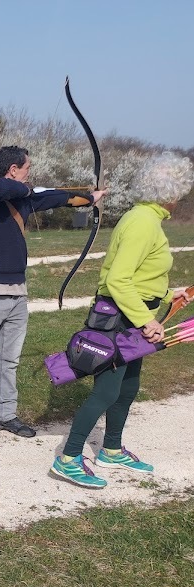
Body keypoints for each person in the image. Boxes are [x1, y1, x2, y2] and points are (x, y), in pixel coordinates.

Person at [51, 152, 194, 488]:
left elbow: (139, 276)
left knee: (128, 387)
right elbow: (117, 280)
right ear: (172, 192)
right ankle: (68, 457)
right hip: (120, 321)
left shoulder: (145, 218)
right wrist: (148, 321)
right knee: (106, 392)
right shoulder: (143, 222)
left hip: (132, 317)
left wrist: (169, 293)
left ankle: (111, 450)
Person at [0, 145, 107, 449]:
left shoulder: (21, 199)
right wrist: (26, 187)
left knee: (9, 360)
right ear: (13, 170)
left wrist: (90, 198)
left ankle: (5, 414)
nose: (30, 174)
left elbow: (58, 198)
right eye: (27, 168)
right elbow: (4, 188)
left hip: (17, 296)